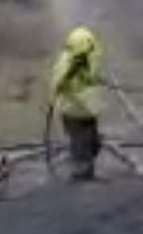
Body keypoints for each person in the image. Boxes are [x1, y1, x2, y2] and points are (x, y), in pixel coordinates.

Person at [50, 26, 104, 180]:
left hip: (87, 112)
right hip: (73, 112)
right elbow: (57, 84)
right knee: (80, 143)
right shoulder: (65, 63)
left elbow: (92, 79)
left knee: (92, 143)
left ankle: (85, 170)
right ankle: (81, 174)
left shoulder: (89, 60)